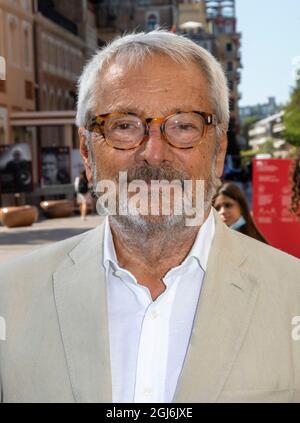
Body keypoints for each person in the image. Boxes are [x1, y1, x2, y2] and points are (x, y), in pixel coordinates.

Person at [0, 30, 300, 403]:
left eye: (184, 125)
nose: (154, 153)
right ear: (87, 154)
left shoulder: (293, 295)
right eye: (124, 126)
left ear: (219, 151)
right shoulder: (8, 297)